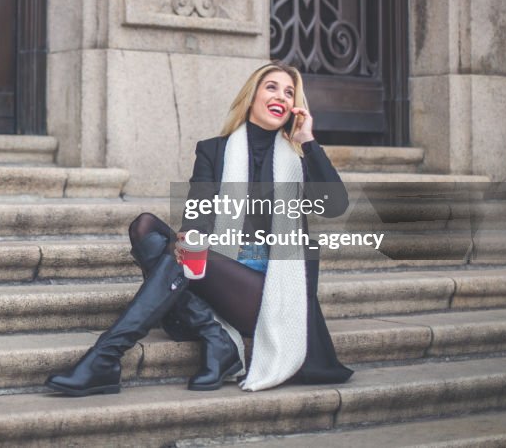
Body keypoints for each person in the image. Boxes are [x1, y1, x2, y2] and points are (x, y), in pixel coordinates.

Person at [45, 61, 353, 396]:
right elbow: (198, 216)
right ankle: (213, 335)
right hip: (219, 279)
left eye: (290, 92)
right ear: (252, 96)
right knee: (147, 227)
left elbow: (335, 206)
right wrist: (189, 240)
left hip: (274, 295)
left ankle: (106, 355)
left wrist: (307, 140)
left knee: (182, 254)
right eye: (272, 87)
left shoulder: (299, 159)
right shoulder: (213, 150)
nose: (281, 95)